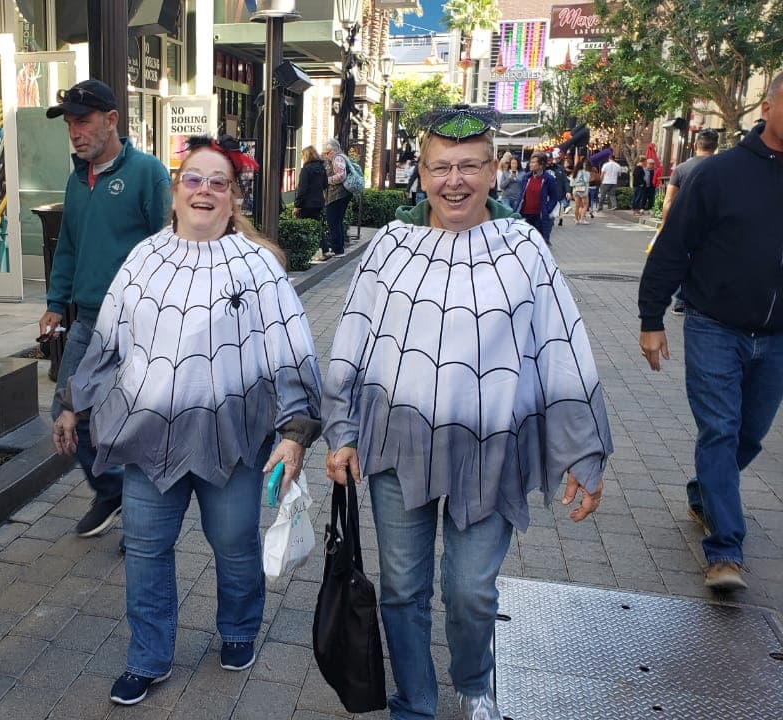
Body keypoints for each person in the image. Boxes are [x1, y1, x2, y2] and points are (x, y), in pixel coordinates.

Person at [323, 105, 612, 720]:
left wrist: (584, 452)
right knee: (402, 588)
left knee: (471, 591)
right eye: (441, 167)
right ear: (420, 174)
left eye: (470, 167)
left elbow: (562, 348)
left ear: (491, 171)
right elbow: (352, 340)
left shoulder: (524, 247)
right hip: (399, 447)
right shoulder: (391, 248)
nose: (455, 181)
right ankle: (416, 700)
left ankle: (474, 681)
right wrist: (342, 431)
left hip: (492, 449)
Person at [69, 136, 322, 706]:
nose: (204, 190)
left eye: (218, 182)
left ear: (233, 198)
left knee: (233, 544)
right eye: (194, 179)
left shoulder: (259, 265)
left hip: (231, 438)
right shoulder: (143, 258)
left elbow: (292, 351)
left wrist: (294, 432)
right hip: (148, 438)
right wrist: (74, 401)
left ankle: (237, 630)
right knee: (147, 548)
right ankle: (148, 657)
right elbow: (108, 339)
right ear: (176, 192)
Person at [637, 73, 783, 593]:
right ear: (767, 106)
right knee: (720, 430)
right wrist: (651, 319)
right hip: (713, 325)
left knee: (749, 435)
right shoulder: (720, 173)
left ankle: (705, 491)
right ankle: (725, 550)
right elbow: (673, 244)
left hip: (777, 337)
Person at [40, 79, 172, 538]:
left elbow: (168, 244)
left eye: (84, 121)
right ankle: (112, 489)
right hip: (89, 321)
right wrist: (57, 303)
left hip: (140, 325)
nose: (75, 133)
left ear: (112, 120)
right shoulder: (77, 181)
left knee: (135, 419)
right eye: (70, 125)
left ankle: (142, 519)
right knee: (67, 409)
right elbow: (69, 249)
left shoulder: (148, 173)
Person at [658, 129, 719, 315]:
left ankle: (680, 300)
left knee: (683, 261)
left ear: (695, 145)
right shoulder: (722, 167)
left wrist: (664, 225)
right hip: (713, 226)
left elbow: (668, 200)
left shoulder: (681, 168)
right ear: (715, 147)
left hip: (685, 223)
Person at [517, 153, 559, 243]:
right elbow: (521, 195)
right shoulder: (526, 177)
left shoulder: (548, 179)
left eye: (533, 162)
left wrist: (547, 210)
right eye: (530, 162)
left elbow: (554, 198)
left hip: (539, 216)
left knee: (539, 242)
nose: (530, 164)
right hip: (524, 214)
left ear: (541, 165)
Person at [321, 138, 353, 259]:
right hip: (339, 195)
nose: (326, 155)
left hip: (337, 195)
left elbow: (341, 175)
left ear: (334, 150)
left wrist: (327, 181)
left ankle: (337, 249)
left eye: (327, 152)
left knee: (333, 221)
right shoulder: (338, 157)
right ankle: (338, 248)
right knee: (337, 221)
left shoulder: (338, 158)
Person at [293, 145, 327, 221]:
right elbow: (325, 184)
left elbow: (302, 189)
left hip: (306, 204)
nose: (302, 159)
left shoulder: (306, 169)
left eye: (303, 156)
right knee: (315, 226)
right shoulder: (322, 167)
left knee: (304, 227)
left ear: (306, 156)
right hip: (319, 203)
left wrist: (297, 205)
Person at [571, 160, 591, 224]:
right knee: (585, 205)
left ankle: (576, 220)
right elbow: (587, 180)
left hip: (575, 189)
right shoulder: (586, 172)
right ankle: (582, 219)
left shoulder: (574, 173)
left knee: (577, 206)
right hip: (583, 190)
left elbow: (571, 183)